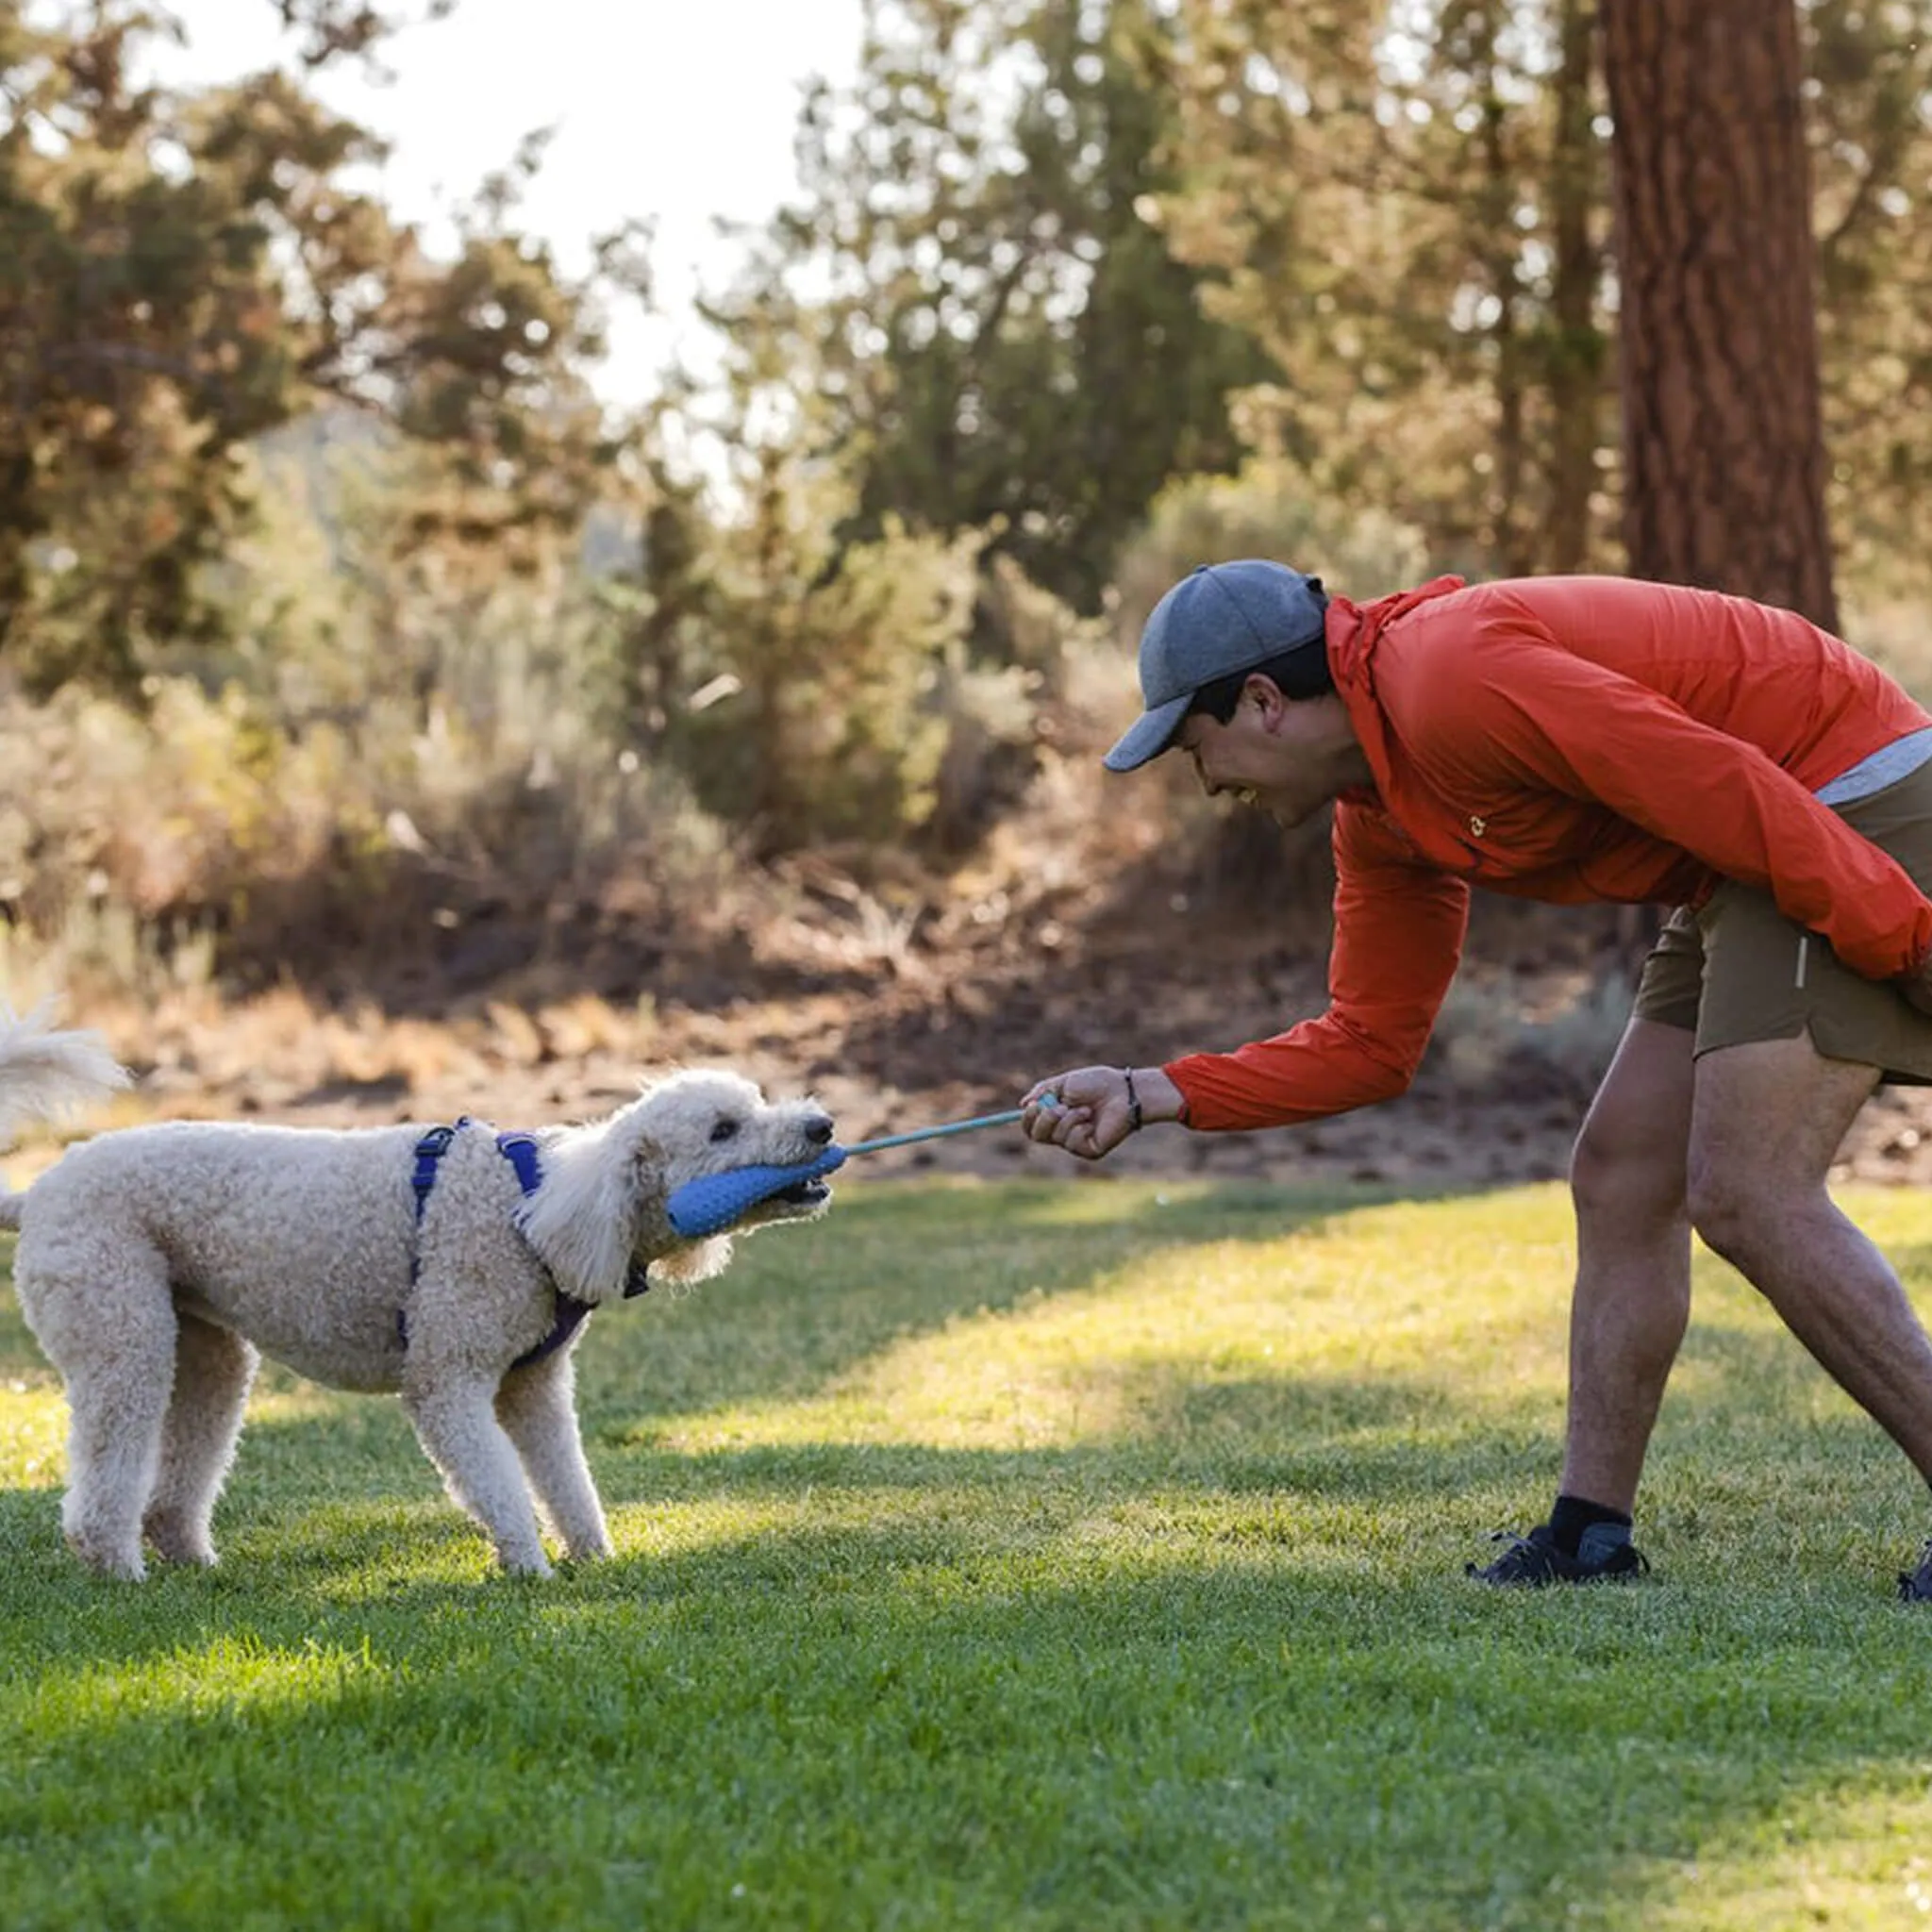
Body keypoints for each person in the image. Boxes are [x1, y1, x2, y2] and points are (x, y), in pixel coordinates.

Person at [1020, 559, 1932, 1599]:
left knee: (1746, 1188)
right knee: (1622, 1171)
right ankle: (1589, 1534)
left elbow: (1715, 782)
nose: (1207, 785)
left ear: (1263, 702)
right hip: (1745, 842)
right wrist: (1150, 1090)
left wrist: (1906, 940)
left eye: (1196, 747)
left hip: (1837, 787)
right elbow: (1370, 1040)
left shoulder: (1450, 680)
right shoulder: (1378, 812)